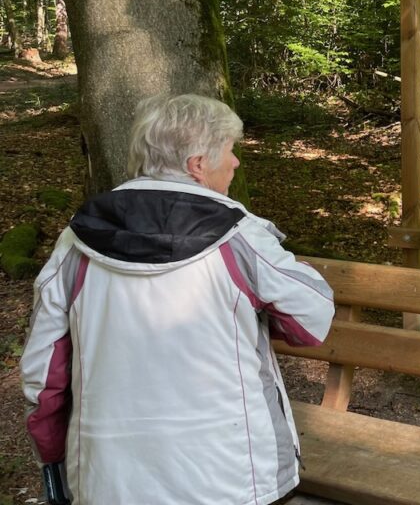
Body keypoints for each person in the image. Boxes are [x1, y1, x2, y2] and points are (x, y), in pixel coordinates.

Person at [21, 93, 335, 505]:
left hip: (109, 479)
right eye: (230, 150)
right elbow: (312, 321)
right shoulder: (239, 238)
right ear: (197, 165)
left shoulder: (76, 241)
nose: (236, 162)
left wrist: (53, 456)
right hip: (232, 477)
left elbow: (44, 375)